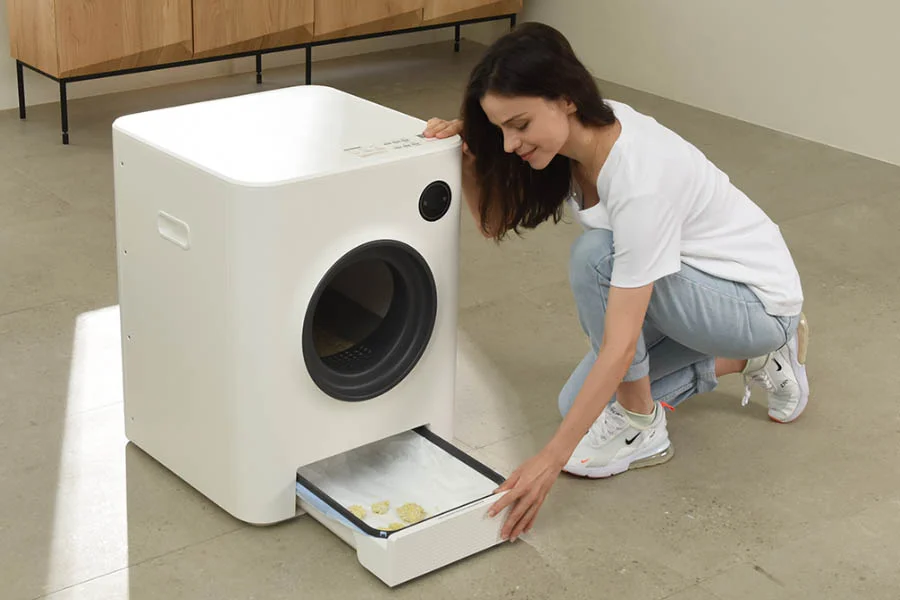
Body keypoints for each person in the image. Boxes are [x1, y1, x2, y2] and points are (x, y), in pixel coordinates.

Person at [422, 22, 810, 544]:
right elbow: (493, 224)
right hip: (688, 290)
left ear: (565, 100)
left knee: (596, 259)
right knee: (575, 406)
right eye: (501, 131)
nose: (511, 144)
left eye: (519, 125)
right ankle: (750, 362)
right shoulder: (570, 147)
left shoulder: (639, 176)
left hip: (754, 304)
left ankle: (660, 416)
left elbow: (622, 341)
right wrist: (467, 163)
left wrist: (546, 463)